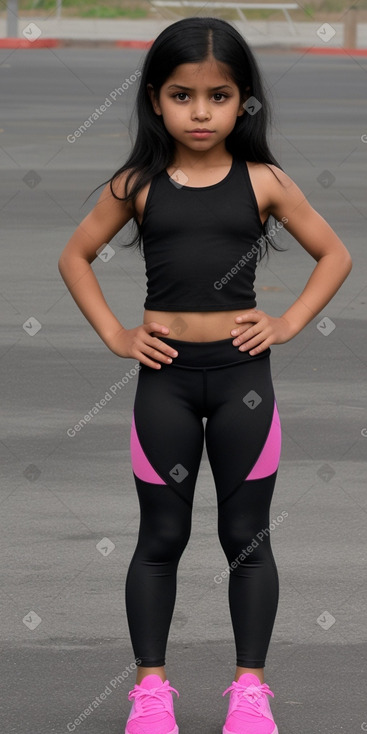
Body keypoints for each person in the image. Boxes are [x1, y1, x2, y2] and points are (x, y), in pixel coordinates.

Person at [58, 16, 352, 734]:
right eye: (182, 96)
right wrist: (116, 334)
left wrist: (284, 323)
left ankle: (249, 692)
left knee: (246, 535)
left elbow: (335, 254)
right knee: (160, 536)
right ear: (155, 99)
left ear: (243, 101)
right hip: (165, 380)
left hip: (242, 381)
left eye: (218, 96)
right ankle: (149, 692)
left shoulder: (263, 181)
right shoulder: (136, 184)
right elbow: (75, 256)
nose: (199, 112)